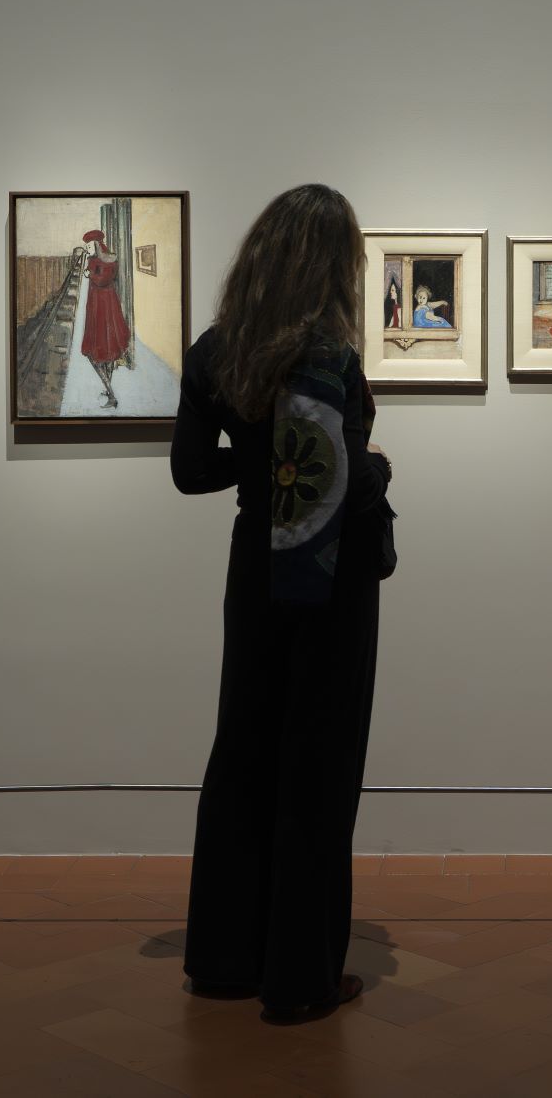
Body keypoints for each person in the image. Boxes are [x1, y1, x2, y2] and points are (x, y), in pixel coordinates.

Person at [172, 183, 392, 1026]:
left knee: (244, 748)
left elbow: (192, 471)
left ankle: (224, 959)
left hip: (253, 568)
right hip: (330, 576)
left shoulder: (216, 351)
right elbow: (350, 483)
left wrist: (262, 465)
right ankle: (299, 978)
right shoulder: (329, 357)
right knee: (318, 763)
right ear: (333, 266)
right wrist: (377, 466)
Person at [78, 229, 133, 407]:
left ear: (96, 244)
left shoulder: (105, 260)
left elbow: (103, 279)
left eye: (89, 246)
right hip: (102, 304)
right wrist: (90, 271)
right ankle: (109, 389)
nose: (87, 249)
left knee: (96, 351)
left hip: (102, 305)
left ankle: (112, 396)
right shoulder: (99, 259)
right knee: (106, 349)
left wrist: (90, 275)